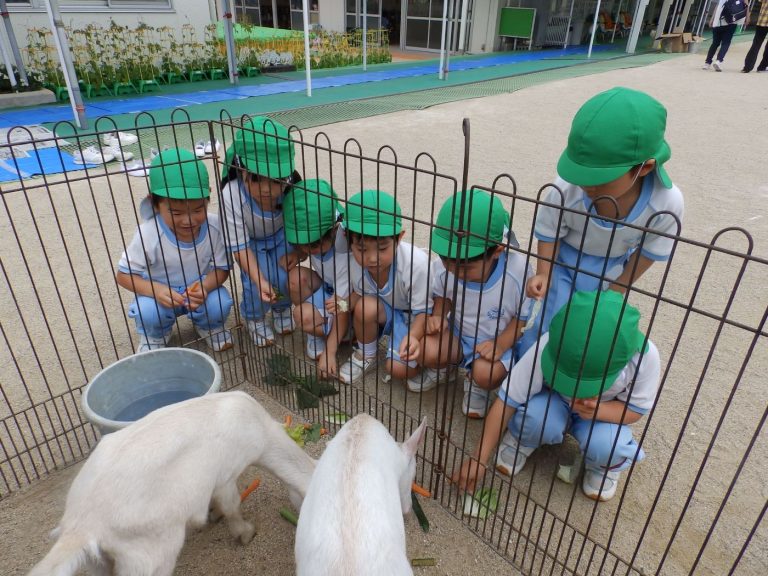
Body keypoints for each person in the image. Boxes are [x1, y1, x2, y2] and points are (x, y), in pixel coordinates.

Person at [518, 87, 684, 354]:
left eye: (600, 178)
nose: (587, 184)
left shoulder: (666, 204)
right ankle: (526, 376)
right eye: (581, 172)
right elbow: (549, 231)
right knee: (551, 324)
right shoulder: (567, 188)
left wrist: (618, 289)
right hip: (563, 260)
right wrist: (544, 273)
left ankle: (572, 386)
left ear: (646, 167)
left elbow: (650, 251)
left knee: (592, 330)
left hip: (612, 267)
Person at [453, 290, 660, 502]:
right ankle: (522, 438)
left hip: (603, 415)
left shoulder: (645, 357)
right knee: (535, 418)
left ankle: (602, 465)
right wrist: (479, 458)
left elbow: (635, 410)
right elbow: (508, 398)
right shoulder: (551, 342)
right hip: (555, 400)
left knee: (608, 445)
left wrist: (599, 410)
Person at [420, 189, 532, 418]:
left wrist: (500, 344)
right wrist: (438, 316)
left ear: (497, 251)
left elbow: (522, 318)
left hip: (496, 341)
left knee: (486, 373)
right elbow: (443, 296)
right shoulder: (445, 267)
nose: (453, 270)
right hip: (459, 335)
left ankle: (476, 384)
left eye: (464, 267)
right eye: (446, 260)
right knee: (427, 350)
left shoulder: (518, 271)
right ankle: (445, 368)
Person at [116, 148, 233, 353]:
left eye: (198, 210)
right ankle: (156, 334)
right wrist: (156, 290)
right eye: (176, 212)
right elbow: (124, 275)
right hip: (160, 290)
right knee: (148, 312)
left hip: (197, 288)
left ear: (208, 199)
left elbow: (222, 268)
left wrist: (205, 287)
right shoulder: (149, 233)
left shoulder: (214, 227)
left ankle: (209, 326)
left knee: (219, 303)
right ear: (155, 203)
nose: (188, 221)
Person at [338, 190, 434, 391]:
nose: (372, 259)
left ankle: (435, 366)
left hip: (415, 317)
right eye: (362, 249)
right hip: (388, 310)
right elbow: (358, 294)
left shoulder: (416, 265)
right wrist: (341, 304)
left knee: (397, 369)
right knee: (365, 307)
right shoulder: (352, 262)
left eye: (382, 249)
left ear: (399, 238)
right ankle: (367, 354)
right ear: (348, 239)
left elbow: (424, 311)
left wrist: (414, 336)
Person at [219, 116, 301, 347]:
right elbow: (240, 247)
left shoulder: (291, 189)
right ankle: (253, 317)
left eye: (275, 180)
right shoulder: (232, 195)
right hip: (250, 241)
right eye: (256, 179)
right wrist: (260, 279)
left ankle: (281, 308)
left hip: (282, 235)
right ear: (240, 169)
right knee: (257, 281)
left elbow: (302, 226)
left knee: (285, 275)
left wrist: (298, 254)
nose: (266, 189)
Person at [282, 179, 356, 378]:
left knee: (308, 315)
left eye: (312, 245)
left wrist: (330, 354)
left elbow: (342, 306)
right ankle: (316, 330)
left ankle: (343, 336)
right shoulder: (319, 240)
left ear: (333, 230)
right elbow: (314, 252)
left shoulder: (344, 256)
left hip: (346, 301)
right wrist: (299, 255)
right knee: (295, 278)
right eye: (302, 244)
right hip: (328, 286)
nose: (307, 249)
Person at [703, 0, 747, 71]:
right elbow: (746, 8)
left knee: (715, 43)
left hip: (718, 22)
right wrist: (747, 19)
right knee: (725, 43)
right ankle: (718, 61)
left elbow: (717, 6)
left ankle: (707, 63)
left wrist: (712, 19)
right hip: (731, 22)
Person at [742, 0, 768, 72]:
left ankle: (747, 67)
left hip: (762, 20)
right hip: (762, 20)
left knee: (756, 44)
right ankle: (762, 67)